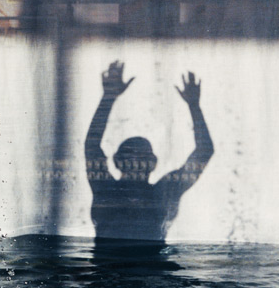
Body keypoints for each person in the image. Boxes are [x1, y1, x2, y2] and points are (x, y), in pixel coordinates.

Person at [84, 60, 214, 241]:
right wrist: (194, 106)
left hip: (110, 260)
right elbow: (204, 151)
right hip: (149, 260)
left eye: (140, 158)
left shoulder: (106, 189)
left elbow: (91, 146)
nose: (136, 163)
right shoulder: (162, 192)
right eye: (132, 158)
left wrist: (108, 98)